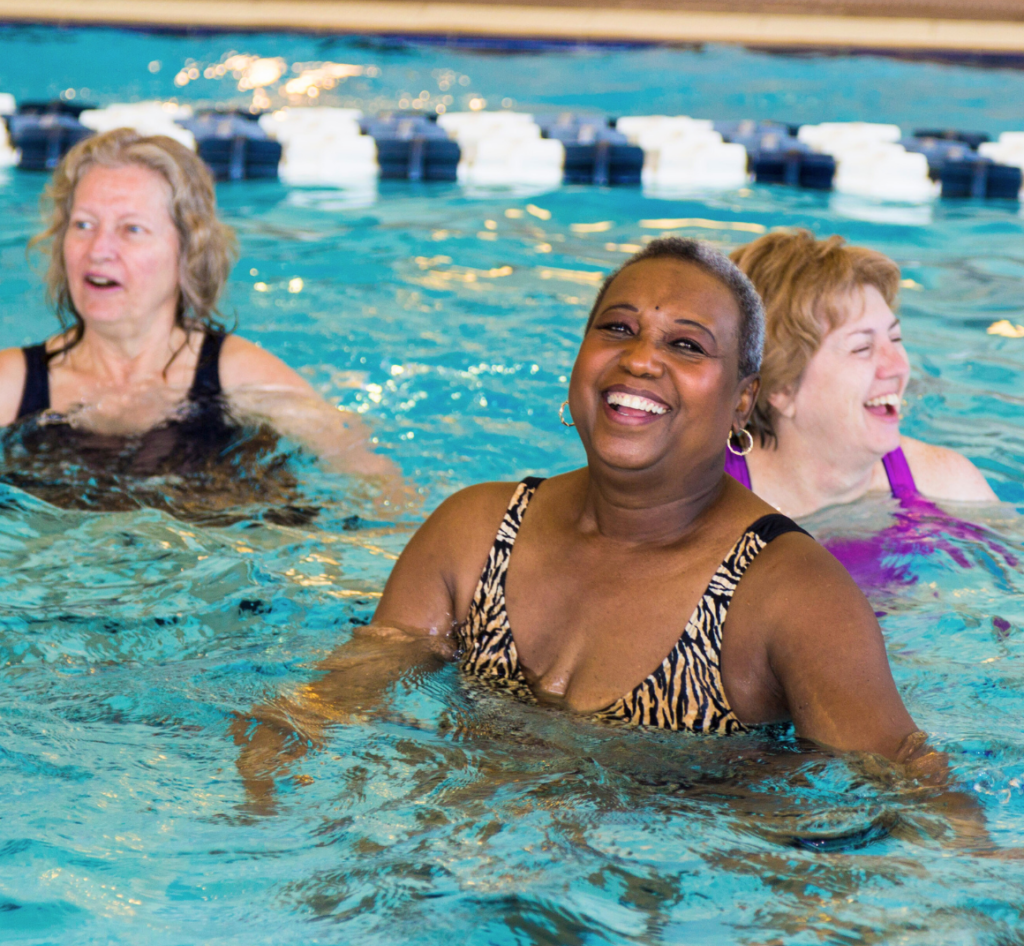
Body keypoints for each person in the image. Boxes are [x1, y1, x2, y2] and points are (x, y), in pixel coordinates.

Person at [234, 238, 938, 794]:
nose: (640, 360)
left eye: (686, 345)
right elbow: (344, 689)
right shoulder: (476, 533)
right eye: (618, 329)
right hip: (470, 854)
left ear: (742, 398)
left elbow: (906, 783)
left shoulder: (788, 594)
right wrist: (273, 762)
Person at [0, 127, 397, 498]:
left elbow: (371, 479)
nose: (98, 249)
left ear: (187, 253)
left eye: (131, 229)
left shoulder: (242, 378)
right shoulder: (13, 386)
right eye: (83, 225)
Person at [725, 229, 996, 518]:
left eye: (895, 338)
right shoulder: (696, 503)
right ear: (781, 388)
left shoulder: (948, 487)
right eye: (862, 347)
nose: (899, 366)